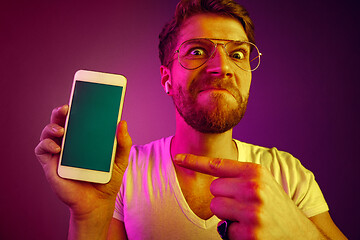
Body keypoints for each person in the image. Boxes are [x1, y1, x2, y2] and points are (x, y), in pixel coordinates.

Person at [35, 0, 347, 239]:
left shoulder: (288, 174)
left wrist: (298, 231)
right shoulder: (122, 173)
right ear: (166, 78)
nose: (221, 66)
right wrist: (87, 218)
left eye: (238, 54)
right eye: (197, 51)